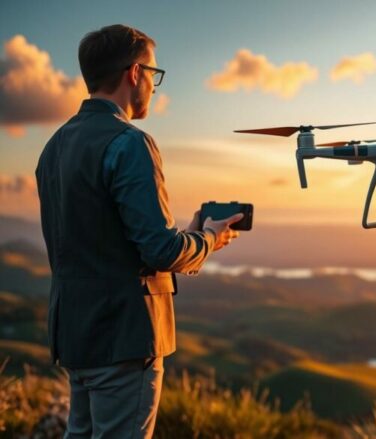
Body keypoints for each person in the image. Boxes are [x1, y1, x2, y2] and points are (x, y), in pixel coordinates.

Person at [35, 24, 240, 438]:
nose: (153, 85)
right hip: (125, 336)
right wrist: (209, 238)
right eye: (153, 73)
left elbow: (99, 241)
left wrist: (186, 234)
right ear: (134, 73)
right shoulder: (130, 143)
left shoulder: (54, 146)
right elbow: (161, 251)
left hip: (75, 334)